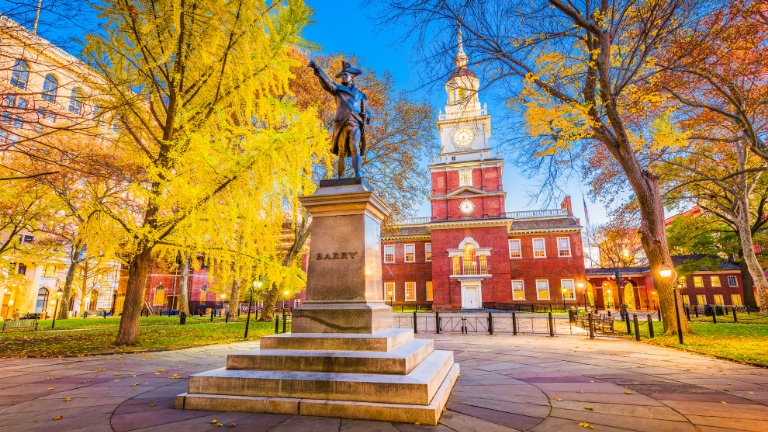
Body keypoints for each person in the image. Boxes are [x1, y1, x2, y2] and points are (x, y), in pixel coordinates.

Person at [308, 59, 371, 178]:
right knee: (341, 152)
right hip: (341, 123)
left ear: (352, 76)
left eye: (345, 74)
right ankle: (340, 178)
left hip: (355, 123)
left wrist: (366, 116)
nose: (342, 76)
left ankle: (358, 175)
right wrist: (317, 70)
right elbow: (328, 83)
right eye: (341, 74)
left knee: (355, 147)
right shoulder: (338, 89)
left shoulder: (361, 95)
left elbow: (368, 113)